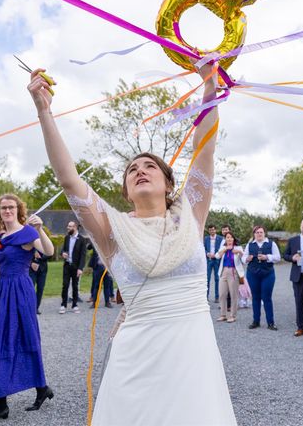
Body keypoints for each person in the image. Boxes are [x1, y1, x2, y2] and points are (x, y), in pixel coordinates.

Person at [28, 62, 236, 425]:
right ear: (126, 190)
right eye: (132, 169)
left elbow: (205, 148)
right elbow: (68, 178)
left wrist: (209, 83)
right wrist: (44, 111)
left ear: (168, 183)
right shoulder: (111, 230)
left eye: (150, 166)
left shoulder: (192, 213)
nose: (140, 169)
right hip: (135, 356)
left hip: (192, 355)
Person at [0, 193, 55, 424]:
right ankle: (41, 387)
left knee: (20, 338)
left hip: (21, 290)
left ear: (18, 209)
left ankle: (1, 404)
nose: (7, 211)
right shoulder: (1, 236)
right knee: (4, 339)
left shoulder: (27, 232)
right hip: (4, 290)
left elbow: (48, 252)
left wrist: (40, 229)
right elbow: (0, 258)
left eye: (11, 207)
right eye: (3, 208)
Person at [243, 226, 281, 330]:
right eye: (257, 232)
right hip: (252, 273)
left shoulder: (271, 244)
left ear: (264, 233)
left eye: (261, 232)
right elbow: (243, 258)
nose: (259, 234)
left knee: (267, 297)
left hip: (267, 274)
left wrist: (267, 257)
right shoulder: (250, 245)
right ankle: (256, 321)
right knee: (255, 297)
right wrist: (247, 258)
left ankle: (271, 322)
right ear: (254, 234)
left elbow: (278, 257)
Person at [215, 232, 244, 323]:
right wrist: (224, 249)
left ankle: (232, 315)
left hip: (233, 272)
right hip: (223, 272)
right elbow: (217, 256)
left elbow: (244, 260)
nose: (229, 239)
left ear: (233, 239)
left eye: (231, 237)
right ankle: (223, 315)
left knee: (233, 294)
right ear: (225, 239)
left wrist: (239, 252)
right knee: (222, 294)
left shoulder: (238, 248)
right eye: (227, 237)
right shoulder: (223, 248)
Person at [60, 220, 88, 314]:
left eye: (70, 226)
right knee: (65, 285)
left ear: (75, 227)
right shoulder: (67, 237)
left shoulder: (82, 239)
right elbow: (63, 250)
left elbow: (83, 255)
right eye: (68, 226)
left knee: (75, 286)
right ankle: (63, 304)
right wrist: (62, 253)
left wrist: (80, 268)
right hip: (67, 265)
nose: (68, 228)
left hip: (76, 267)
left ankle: (74, 305)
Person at [89, 244, 113, 308]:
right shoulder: (95, 241)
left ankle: (107, 302)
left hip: (107, 267)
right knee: (96, 286)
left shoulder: (108, 242)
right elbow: (88, 247)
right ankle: (94, 303)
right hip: (98, 267)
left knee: (107, 286)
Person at [204, 225, 223, 303]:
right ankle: (206, 297)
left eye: (213, 230)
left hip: (216, 260)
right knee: (207, 279)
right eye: (210, 230)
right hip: (208, 260)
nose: (212, 231)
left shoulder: (220, 238)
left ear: (215, 230)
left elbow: (222, 249)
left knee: (217, 279)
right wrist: (207, 253)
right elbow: (203, 248)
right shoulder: (206, 238)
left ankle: (217, 297)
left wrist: (215, 254)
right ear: (209, 231)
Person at [30, 250, 50, 314]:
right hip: (31, 269)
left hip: (43, 269)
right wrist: (31, 262)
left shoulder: (45, 241)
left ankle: (36, 308)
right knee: (30, 289)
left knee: (40, 289)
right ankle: (29, 308)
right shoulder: (30, 240)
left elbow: (50, 253)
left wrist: (40, 256)